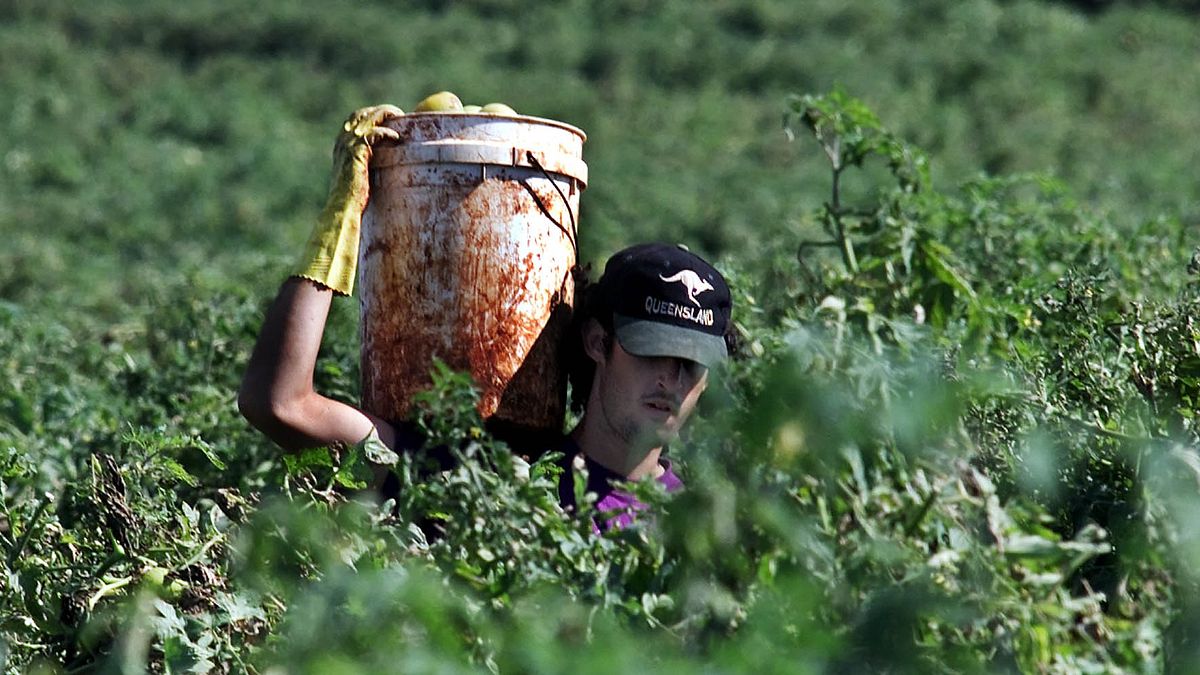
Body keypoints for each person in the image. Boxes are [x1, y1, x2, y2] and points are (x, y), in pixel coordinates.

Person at [238, 106, 735, 532]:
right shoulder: (481, 477)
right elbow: (281, 403)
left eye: (692, 364)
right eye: (652, 352)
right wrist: (341, 220)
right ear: (596, 343)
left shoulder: (699, 528)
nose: (671, 380)